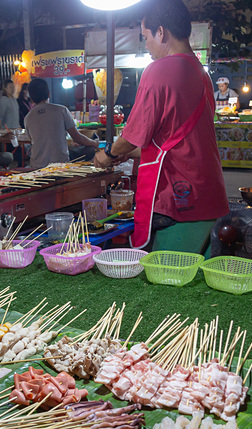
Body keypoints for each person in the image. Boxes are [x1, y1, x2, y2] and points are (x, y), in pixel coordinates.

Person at [93, 0, 228, 253]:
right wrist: (127, 153)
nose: (147, 46)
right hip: (210, 194)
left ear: (161, 32)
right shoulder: (201, 72)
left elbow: (133, 135)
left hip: (179, 198)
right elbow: (175, 139)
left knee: (169, 281)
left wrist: (107, 154)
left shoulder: (160, 69)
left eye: (146, 37)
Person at [25, 78, 99, 169]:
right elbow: (77, 137)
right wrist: (94, 143)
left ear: (31, 98)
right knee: (90, 150)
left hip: (37, 165)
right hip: (60, 164)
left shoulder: (28, 117)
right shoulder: (61, 110)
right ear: (49, 93)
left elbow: (34, 140)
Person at [0, 80, 22, 167]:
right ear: (4, 88)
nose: (12, 89)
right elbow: (0, 117)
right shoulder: (3, 100)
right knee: (10, 156)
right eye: (10, 87)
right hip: (7, 132)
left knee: (18, 155)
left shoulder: (14, 100)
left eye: (13, 87)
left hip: (15, 132)